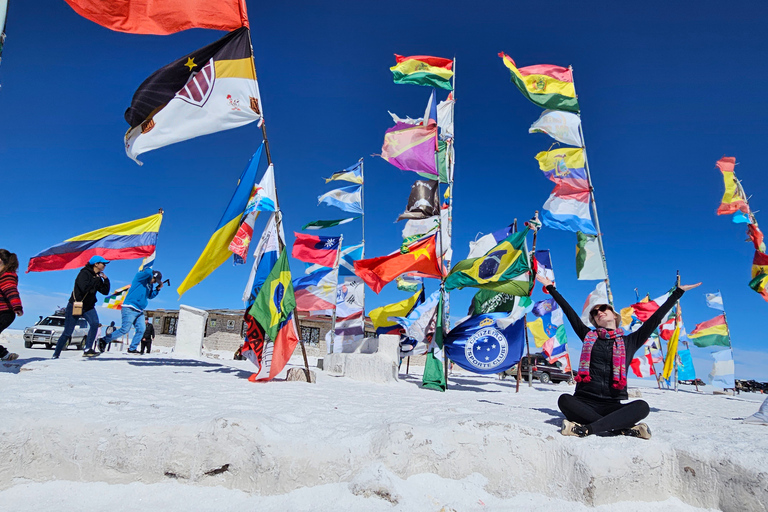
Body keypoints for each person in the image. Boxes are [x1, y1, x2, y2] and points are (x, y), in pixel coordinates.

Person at [536, 273, 701, 440]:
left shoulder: (630, 341)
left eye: (603, 309)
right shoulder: (588, 337)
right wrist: (551, 288)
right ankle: (620, 428)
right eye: (595, 313)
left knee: (642, 407)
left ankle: (587, 428)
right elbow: (569, 311)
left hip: (611, 405)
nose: (598, 312)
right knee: (564, 400)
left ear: (614, 315)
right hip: (584, 402)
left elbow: (656, 319)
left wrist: (678, 293)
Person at [52, 256, 111, 358]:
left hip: (89, 307)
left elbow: (105, 291)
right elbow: (84, 289)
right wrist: (95, 280)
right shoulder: (84, 273)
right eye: (103, 263)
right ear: (96, 264)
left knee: (95, 323)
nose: (104, 266)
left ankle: (88, 349)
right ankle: (56, 354)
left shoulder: (97, 277)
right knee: (68, 332)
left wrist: (106, 280)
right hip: (75, 305)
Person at [98, 267, 163, 354]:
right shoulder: (141, 278)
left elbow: (150, 296)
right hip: (129, 307)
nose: (154, 282)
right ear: (152, 275)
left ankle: (132, 348)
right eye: (154, 280)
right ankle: (103, 340)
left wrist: (157, 289)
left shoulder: (150, 285)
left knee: (141, 329)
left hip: (139, 310)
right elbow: (147, 272)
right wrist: (151, 269)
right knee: (125, 329)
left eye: (156, 282)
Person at [0, 249, 23, 361]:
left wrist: (17, 307)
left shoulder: (7, 276)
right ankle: (4, 355)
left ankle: (4, 355)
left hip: (4, 313)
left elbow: (11, 291)